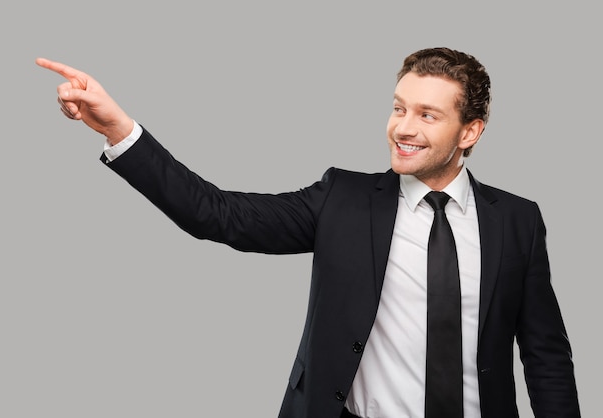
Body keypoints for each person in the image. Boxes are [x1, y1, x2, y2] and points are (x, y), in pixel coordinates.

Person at [36, 47, 580, 418]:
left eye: (427, 114)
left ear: (471, 131)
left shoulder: (517, 219)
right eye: (398, 108)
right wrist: (118, 129)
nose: (403, 127)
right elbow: (217, 214)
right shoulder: (342, 200)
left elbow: (545, 352)